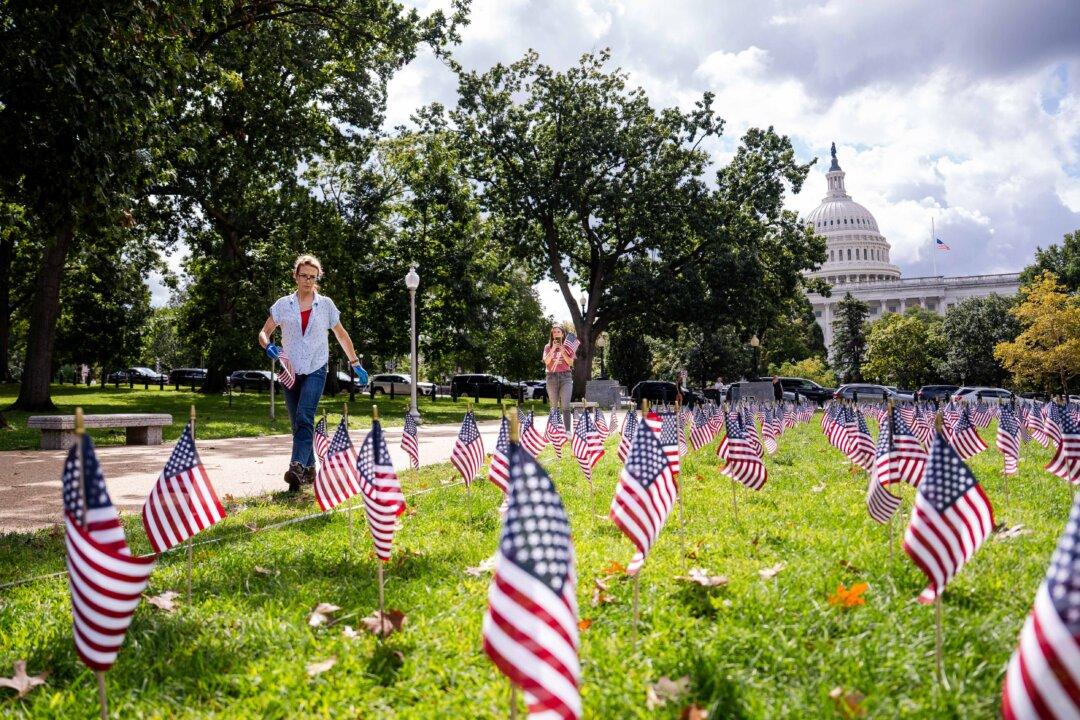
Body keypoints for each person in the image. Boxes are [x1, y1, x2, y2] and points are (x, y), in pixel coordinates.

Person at [258, 254, 368, 493]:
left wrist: (355, 362)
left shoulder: (325, 304)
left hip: (317, 368)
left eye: (313, 277)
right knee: (297, 422)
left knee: (304, 416)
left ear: (317, 278)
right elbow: (264, 332)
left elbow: (341, 334)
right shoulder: (283, 305)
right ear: (295, 276)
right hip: (290, 370)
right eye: (304, 276)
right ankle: (309, 470)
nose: (308, 281)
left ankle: (296, 466)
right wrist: (268, 345)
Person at [542, 325, 574, 418]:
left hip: (566, 377)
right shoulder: (547, 347)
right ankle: (555, 430)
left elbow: (570, 363)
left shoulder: (567, 347)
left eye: (558, 332)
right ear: (552, 335)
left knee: (565, 406)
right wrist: (552, 349)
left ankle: (567, 431)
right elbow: (547, 362)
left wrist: (563, 351)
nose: (556, 334)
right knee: (554, 406)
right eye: (554, 332)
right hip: (551, 377)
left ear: (563, 334)